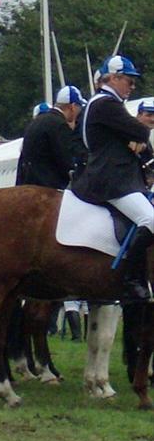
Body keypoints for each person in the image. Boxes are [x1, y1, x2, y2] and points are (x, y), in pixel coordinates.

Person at [70, 56, 154, 303]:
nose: (132, 86)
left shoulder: (97, 103)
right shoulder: (107, 104)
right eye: (129, 80)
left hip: (107, 172)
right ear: (115, 78)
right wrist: (135, 138)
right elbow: (140, 130)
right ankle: (131, 280)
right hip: (112, 179)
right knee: (150, 220)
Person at [16, 85, 86, 189]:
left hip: (28, 185)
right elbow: (66, 159)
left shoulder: (37, 122)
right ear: (72, 106)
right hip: (48, 188)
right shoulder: (59, 124)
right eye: (79, 108)